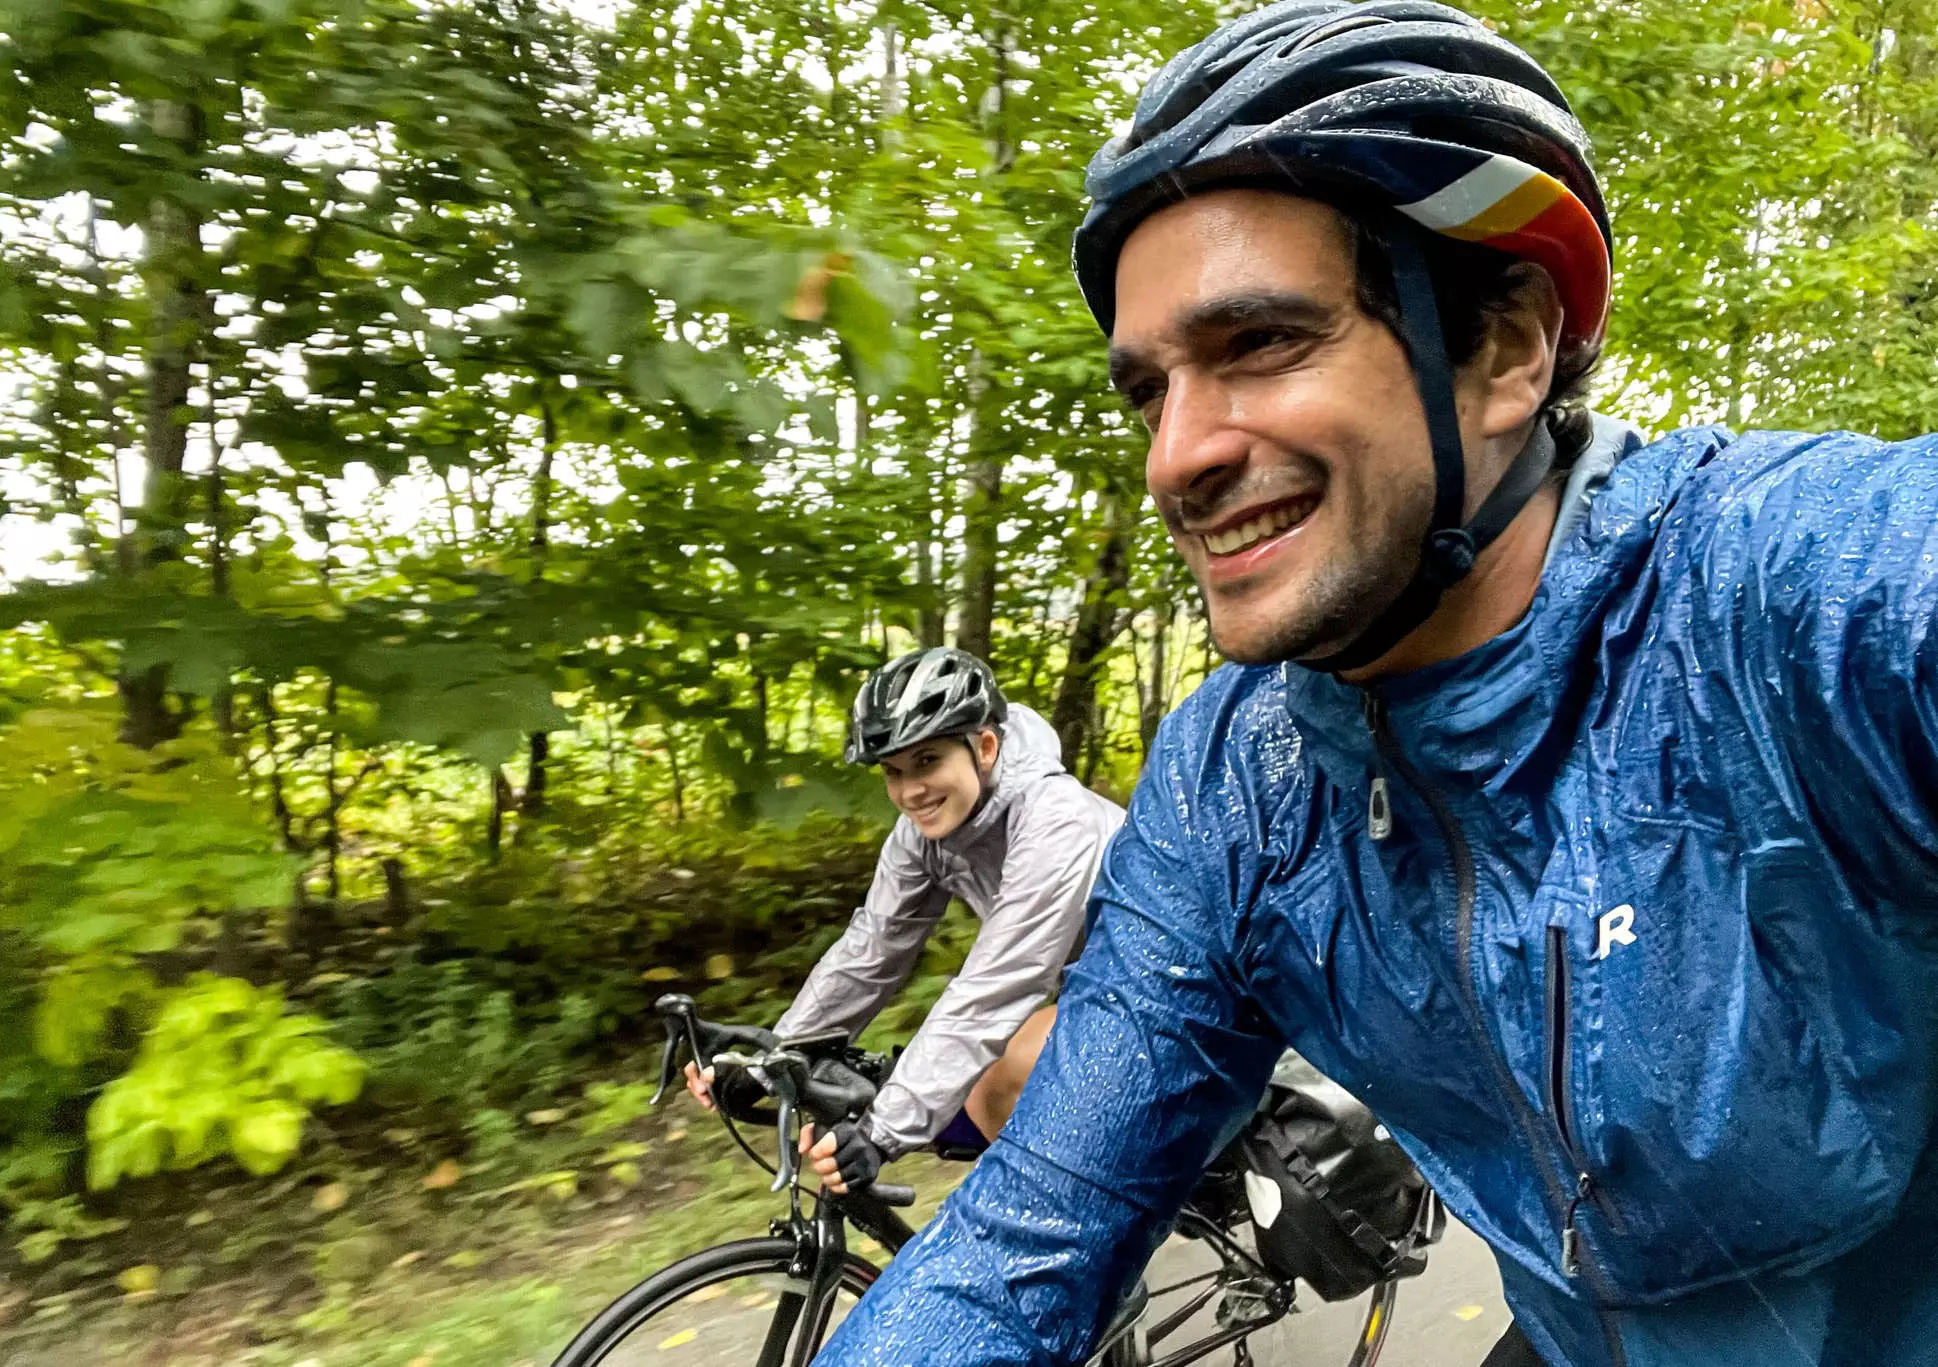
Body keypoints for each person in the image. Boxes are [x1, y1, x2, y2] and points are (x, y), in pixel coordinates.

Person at [809, 3, 1938, 1366]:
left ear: (1507, 348)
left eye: (1260, 344)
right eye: (1146, 390)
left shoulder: (1785, 596)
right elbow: (1029, 1229)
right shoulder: (1239, 783)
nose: (1173, 459)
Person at [684, 646, 1125, 1195]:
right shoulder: (923, 833)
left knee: (1005, 1075)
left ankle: (1095, 1266)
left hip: (1186, 978)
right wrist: (766, 1065)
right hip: (1099, 985)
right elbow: (869, 954)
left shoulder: (1056, 818)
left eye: (928, 761)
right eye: (893, 771)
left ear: (985, 747)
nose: (910, 791)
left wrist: (881, 1134)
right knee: (962, 1091)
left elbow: (998, 985)